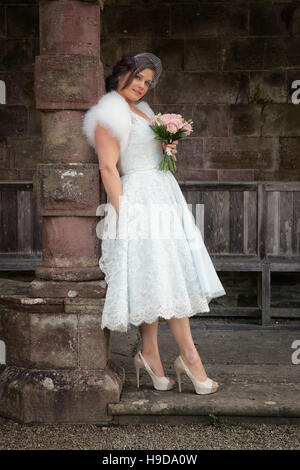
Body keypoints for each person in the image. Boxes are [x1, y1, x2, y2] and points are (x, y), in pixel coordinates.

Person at [82, 52, 226, 395]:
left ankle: (150, 355)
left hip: (162, 195)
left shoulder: (141, 112)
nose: (143, 86)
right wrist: (126, 215)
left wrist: (165, 147)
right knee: (169, 277)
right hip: (139, 202)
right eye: (138, 78)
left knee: (157, 276)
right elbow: (108, 168)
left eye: (148, 82)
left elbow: (145, 154)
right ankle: (190, 359)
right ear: (123, 74)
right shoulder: (108, 113)